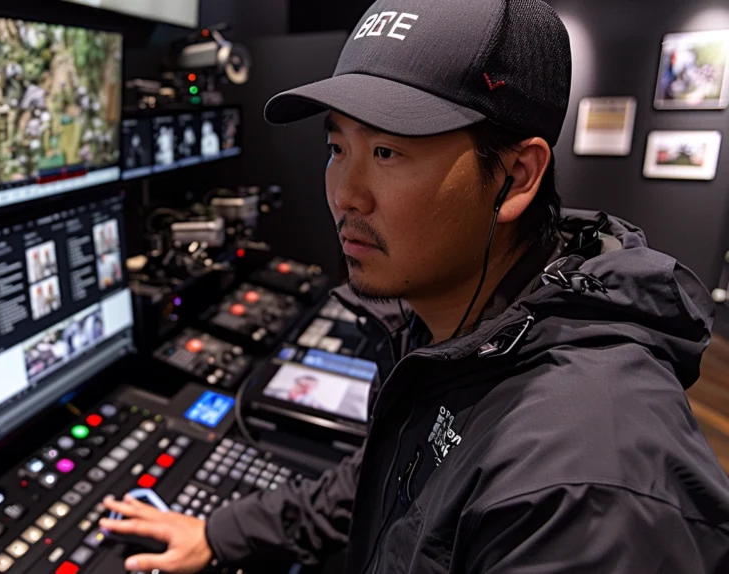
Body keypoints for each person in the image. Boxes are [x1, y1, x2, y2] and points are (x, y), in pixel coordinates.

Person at [101, 0, 729, 572]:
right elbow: (390, 480)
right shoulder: (455, 322)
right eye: (336, 147)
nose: (346, 195)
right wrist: (222, 532)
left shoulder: (585, 493)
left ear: (514, 177)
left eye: (387, 154)